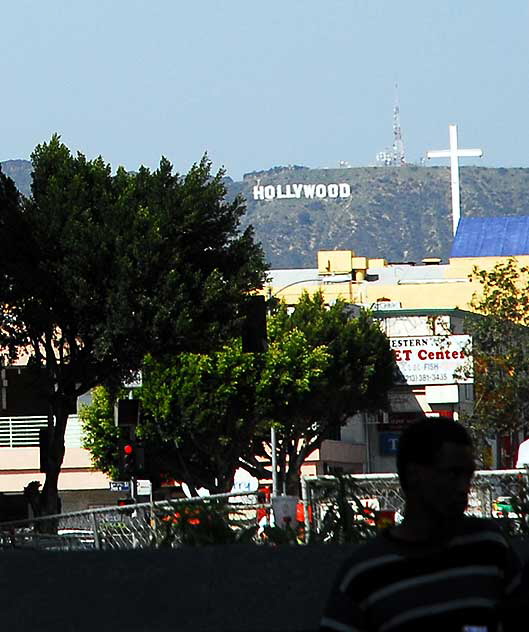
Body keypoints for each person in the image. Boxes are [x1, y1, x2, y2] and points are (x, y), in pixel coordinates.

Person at [320, 419, 527, 632]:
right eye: (453, 474)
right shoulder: (364, 575)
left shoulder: (489, 547)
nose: (464, 488)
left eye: (468, 476)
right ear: (415, 475)